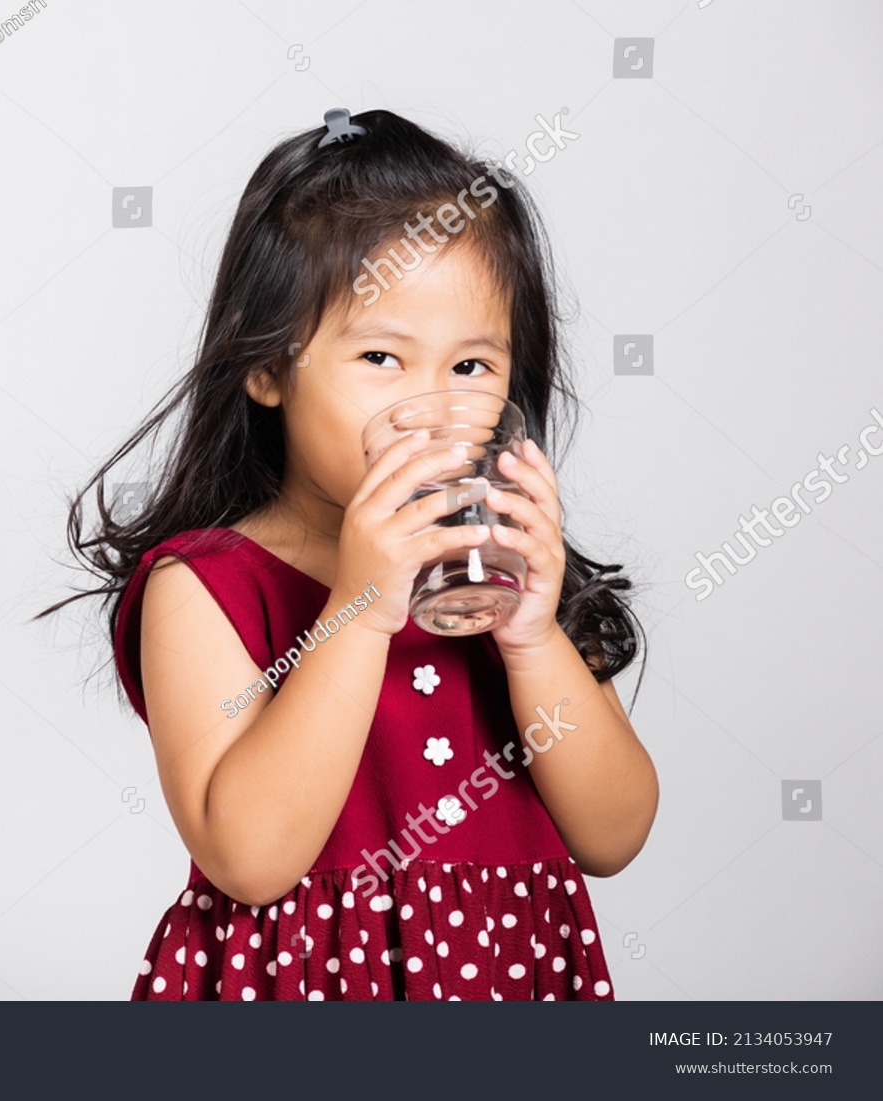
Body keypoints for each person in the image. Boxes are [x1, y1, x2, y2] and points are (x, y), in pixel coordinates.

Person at [39, 108, 658, 1000]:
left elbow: (615, 833)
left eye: (473, 367)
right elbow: (250, 858)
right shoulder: (207, 586)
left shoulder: (504, 570)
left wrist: (533, 640)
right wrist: (363, 607)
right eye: (381, 356)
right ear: (266, 367)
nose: (433, 405)